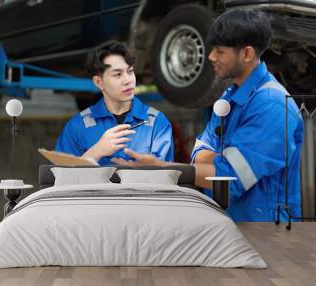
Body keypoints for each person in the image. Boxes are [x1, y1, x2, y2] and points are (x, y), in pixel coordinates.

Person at [112, 9, 304, 222]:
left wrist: (163, 168)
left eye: (220, 51)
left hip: (268, 234)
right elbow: (200, 153)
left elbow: (230, 179)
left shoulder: (271, 106)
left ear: (247, 54)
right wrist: (219, 163)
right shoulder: (231, 97)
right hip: (235, 224)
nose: (211, 57)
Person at [55, 40, 174, 165]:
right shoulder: (77, 126)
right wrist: (96, 151)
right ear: (99, 82)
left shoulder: (157, 123)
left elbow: (166, 178)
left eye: (130, 71)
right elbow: (62, 179)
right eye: (118, 74)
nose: (128, 80)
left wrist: (145, 169)